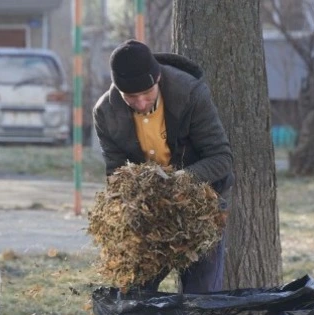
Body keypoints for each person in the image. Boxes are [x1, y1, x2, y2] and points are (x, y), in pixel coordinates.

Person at [93, 39, 234, 294]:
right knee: (134, 292)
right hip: (149, 211)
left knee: (201, 296)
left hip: (202, 204)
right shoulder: (106, 112)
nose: (141, 104)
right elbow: (116, 173)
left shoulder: (189, 93)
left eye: (146, 94)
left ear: (157, 79)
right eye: (131, 97)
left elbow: (221, 158)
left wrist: (181, 180)